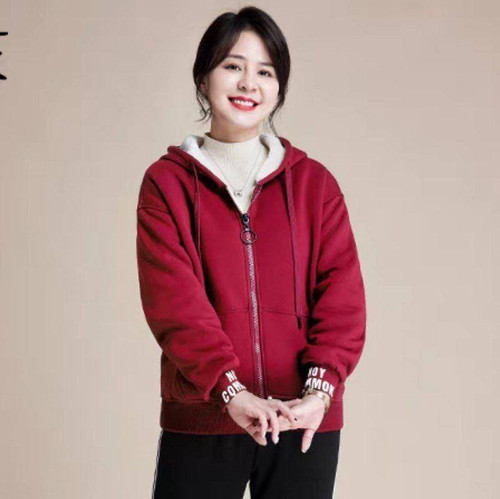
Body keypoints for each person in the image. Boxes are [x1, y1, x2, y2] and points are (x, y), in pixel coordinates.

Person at [136, 6, 366, 498]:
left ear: (279, 88)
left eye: (265, 72)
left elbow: (342, 299)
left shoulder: (315, 185)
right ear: (204, 78)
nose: (248, 83)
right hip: (204, 414)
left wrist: (320, 392)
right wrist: (230, 390)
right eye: (232, 66)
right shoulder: (167, 184)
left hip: (303, 421)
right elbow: (173, 302)